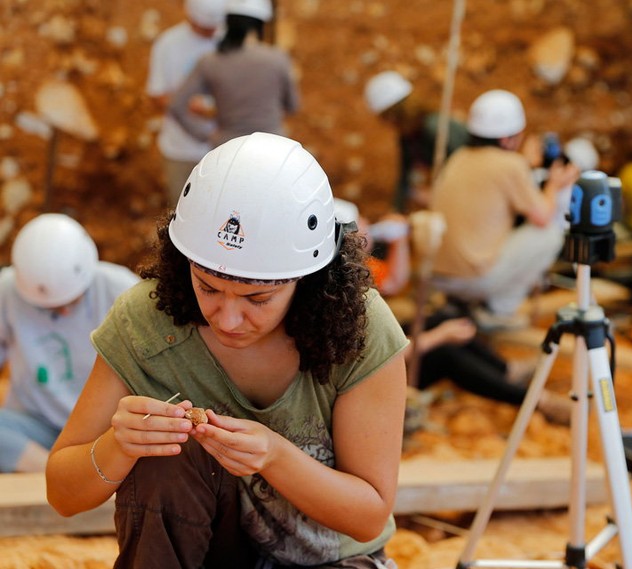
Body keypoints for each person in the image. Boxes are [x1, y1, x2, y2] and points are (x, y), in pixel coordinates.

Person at [46, 133, 409, 569]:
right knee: (164, 458)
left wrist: (274, 456)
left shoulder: (360, 326)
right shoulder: (147, 322)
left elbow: (369, 517)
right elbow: (62, 494)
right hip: (211, 554)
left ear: (308, 281)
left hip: (333, 560)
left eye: (257, 299)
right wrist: (118, 445)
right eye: (208, 288)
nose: (227, 319)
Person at [340, 201, 571, 426]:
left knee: (446, 317)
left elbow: (393, 282)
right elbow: (377, 354)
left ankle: (505, 371)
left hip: (379, 347)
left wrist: (399, 241)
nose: (369, 225)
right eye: (361, 224)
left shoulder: (353, 270)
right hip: (367, 371)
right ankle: (536, 401)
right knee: (447, 354)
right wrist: (439, 336)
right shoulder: (342, 292)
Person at [428, 89, 580, 331]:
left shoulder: (458, 157)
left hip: (436, 277)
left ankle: (458, 303)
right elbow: (542, 216)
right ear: (509, 138)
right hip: (473, 279)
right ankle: (498, 311)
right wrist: (554, 185)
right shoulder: (511, 165)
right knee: (548, 234)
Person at [0, 214, 139, 473]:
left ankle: (66, 472)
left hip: (102, 429)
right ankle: (54, 471)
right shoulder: (7, 291)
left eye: (71, 302)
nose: (62, 314)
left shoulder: (122, 290)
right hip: (34, 426)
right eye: (48, 308)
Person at [168, 0, 300, 149]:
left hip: (226, 147)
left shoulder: (210, 61)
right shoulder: (277, 59)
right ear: (260, 25)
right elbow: (293, 105)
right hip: (273, 146)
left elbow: (176, 105)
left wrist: (205, 136)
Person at [146, 0, 228, 207]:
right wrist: (191, 107)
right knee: (181, 211)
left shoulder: (228, 43)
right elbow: (157, 94)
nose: (210, 31)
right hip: (179, 149)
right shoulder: (168, 44)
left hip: (221, 149)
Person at [364, 70, 469, 213]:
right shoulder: (409, 137)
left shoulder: (434, 127)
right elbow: (404, 178)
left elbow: (465, 166)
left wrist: (441, 195)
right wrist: (396, 211)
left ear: (395, 114)